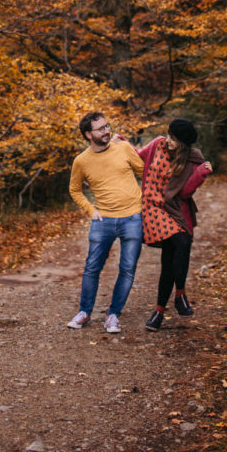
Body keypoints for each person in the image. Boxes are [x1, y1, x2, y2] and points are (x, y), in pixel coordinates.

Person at [67, 110, 144, 334]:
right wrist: (90, 210)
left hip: (133, 217)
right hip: (104, 220)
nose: (107, 131)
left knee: (127, 268)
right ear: (88, 135)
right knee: (92, 268)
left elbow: (145, 172)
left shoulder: (123, 148)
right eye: (101, 129)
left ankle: (113, 315)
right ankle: (84, 312)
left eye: (107, 126)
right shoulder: (81, 161)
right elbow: (74, 190)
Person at [137, 118, 212, 332]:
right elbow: (137, 155)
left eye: (173, 138)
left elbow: (186, 193)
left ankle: (159, 311)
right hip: (153, 208)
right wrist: (120, 144)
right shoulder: (157, 144)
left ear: (183, 144)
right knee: (180, 241)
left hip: (175, 210)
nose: (168, 140)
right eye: (169, 136)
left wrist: (200, 174)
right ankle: (180, 294)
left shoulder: (192, 159)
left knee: (173, 255)